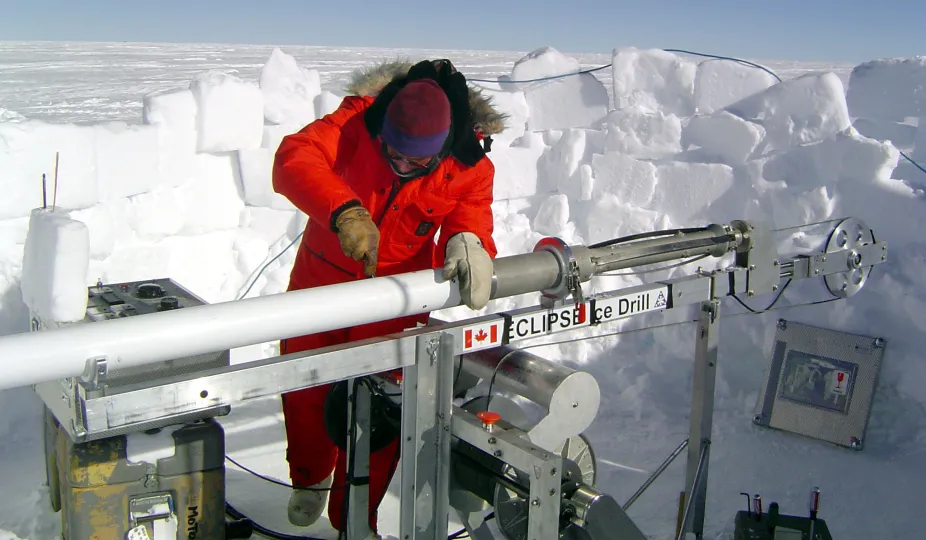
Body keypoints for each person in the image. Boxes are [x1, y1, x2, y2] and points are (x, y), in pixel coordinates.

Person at [271, 58, 507, 537]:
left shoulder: (470, 166)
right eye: (392, 154)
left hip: (393, 300)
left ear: (441, 148)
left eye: (414, 162)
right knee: (306, 390)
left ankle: (354, 518)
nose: (400, 166)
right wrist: (344, 211)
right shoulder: (357, 120)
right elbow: (294, 157)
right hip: (320, 286)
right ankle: (310, 478)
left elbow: (470, 216)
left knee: (381, 413)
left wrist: (468, 242)